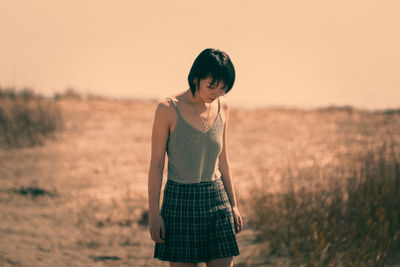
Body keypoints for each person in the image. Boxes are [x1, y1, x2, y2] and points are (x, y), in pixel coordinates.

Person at [148, 48, 243, 267]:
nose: (216, 92)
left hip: (217, 200)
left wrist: (234, 205)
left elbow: (224, 160)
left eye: (223, 88)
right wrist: (154, 213)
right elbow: (156, 165)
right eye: (211, 86)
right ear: (195, 78)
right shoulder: (167, 109)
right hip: (179, 201)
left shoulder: (224, 107)